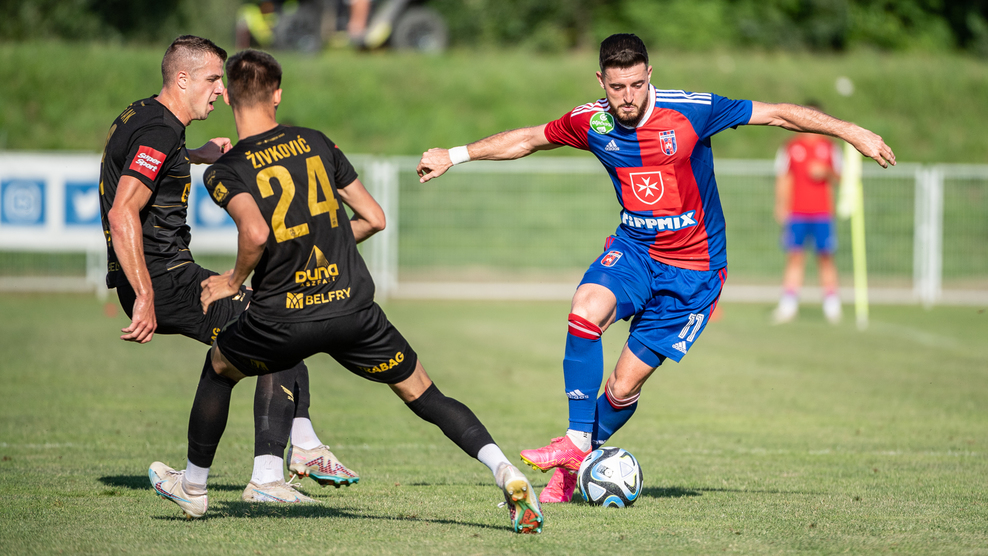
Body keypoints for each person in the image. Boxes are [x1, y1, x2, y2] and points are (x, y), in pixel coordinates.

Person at [416, 33, 895, 504]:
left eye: (636, 85)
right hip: (636, 251)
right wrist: (453, 155)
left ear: (650, 76)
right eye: (616, 87)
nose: (627, 97)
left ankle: (571, 466)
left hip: (695, 271)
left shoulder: (691, 111)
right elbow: (527, 139)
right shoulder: (591, 122)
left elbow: (777, 114)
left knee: (622, 387)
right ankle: (576, 441)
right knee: (585, 310)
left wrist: (853, 132)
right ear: (600, 81)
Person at [147, 49, 543, 533]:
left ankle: (192, 488)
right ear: (277, 94)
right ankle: (504, 469)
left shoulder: (225, 170)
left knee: (218, 369)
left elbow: (255, 233)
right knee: (426, 395)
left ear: (228, 96)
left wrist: (231, 282)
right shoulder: (315, 142)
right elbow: (374, 218)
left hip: (284, 317)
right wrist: (328, 239)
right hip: (353, 309)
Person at [99, 35, 356, 505]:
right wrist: (144, 294)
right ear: (182, 79)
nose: (221, 90)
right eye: (212, 79)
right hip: (163, 279)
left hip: (165, 274)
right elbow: (122, 213)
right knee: (278, 328)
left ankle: (298, 447)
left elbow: (140, 165)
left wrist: (196, 156)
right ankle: (271, 474)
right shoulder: (160, 132)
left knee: (279, 330)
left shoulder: (145, 117)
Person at [772, 103, 843, 324]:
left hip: (823, 213)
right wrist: (780, 205)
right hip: (797, 213)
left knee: (826, 258)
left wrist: (827, 172)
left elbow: (841, 179)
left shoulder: (830, 147)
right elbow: (783, 178)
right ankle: (788, 305)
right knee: (795, 257)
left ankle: (832, 305)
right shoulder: (790, 147)